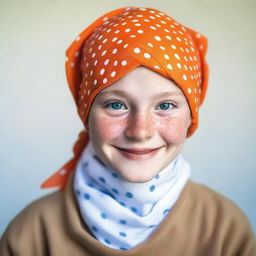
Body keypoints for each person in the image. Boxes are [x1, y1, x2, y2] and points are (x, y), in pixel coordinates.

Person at [0, 6, 255, 256]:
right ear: (86, 113)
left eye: (165, 105)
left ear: (191, 116)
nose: (140, 131)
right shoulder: (31, 235)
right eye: (116, 105)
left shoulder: (226, 231)